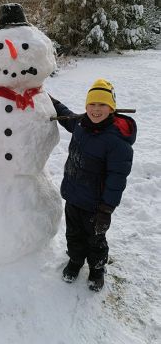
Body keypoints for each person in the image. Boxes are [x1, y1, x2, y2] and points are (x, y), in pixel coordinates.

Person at [51, 79, 137, 292]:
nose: (96, 109)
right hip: (73, 196)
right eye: (92, 104)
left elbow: (117, 179)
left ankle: (97, 270)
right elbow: (65, 115)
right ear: (86, 106)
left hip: (95, 206)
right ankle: (75, 261)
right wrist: (49, 100)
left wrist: (106, 210)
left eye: (102, 105)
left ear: (111, 108)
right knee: (73, 234)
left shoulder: (117, 142)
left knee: (96, 240)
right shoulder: (81, 124)